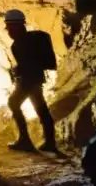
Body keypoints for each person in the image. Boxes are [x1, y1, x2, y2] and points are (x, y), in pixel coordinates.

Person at [4, 9, 59, 153]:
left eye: (9, 27)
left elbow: (28, 64)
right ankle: (50, 143)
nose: (7, 30)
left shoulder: (19, 44)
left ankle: (25, 141)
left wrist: (18, 71)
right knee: (41, 109)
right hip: (36, 80)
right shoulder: (33, 39)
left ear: (15, 26)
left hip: (28, 80)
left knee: (14, 103)